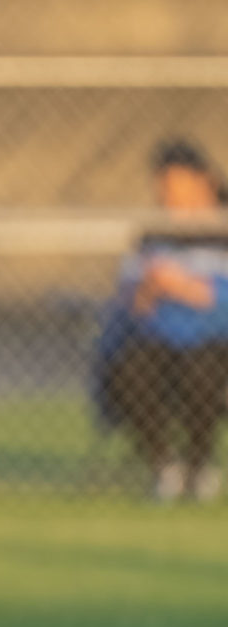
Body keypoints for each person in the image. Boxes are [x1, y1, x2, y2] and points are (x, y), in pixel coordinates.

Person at [95, 139, 228, 502]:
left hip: (215, 343)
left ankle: (199, 466)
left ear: (205, 182)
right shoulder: (154, 236)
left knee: (202, 371)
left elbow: (218, 299)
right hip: (160, 340)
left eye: (176, 185)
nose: (168, 195)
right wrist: (149, 289)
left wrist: (184, 287)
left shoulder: (222, 231)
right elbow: (130, 301)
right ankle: (165, 467)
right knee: (129, 370)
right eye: (163, 186)